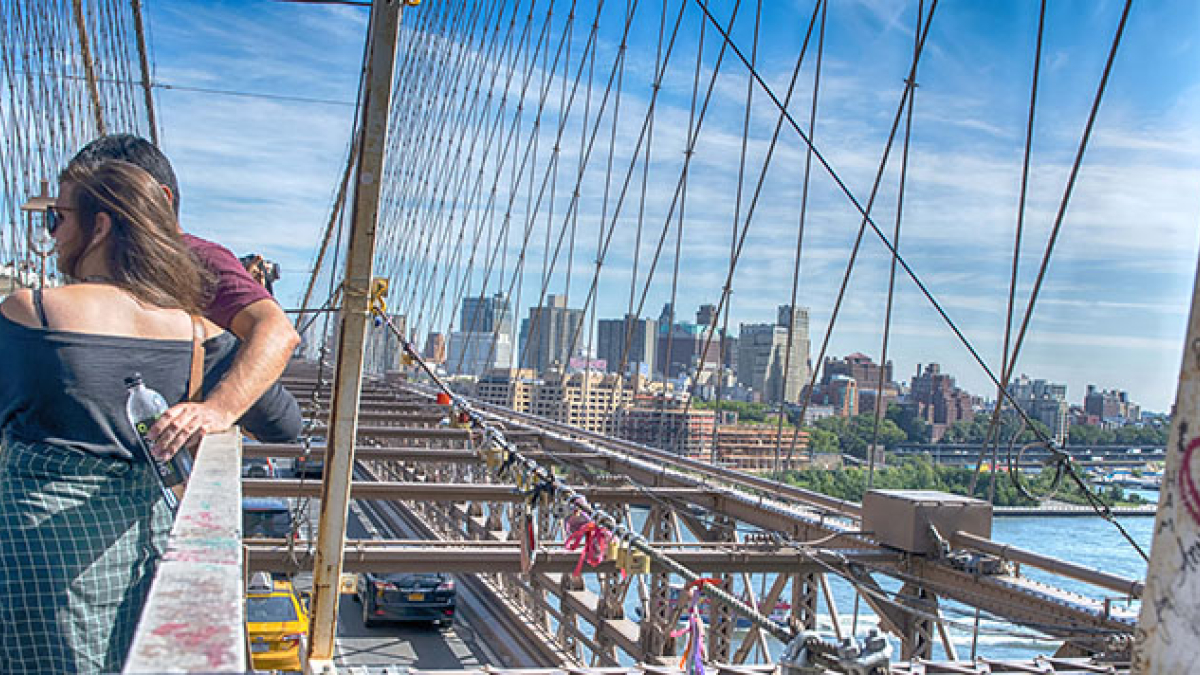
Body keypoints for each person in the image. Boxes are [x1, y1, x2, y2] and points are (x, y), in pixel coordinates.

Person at [0, 160, 300, 674]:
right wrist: (215, 410)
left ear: (100, 226)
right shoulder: (195, 334)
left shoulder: (31, 311)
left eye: (57, 218)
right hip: (147, 545)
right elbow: (285, 424)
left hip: (38, 557)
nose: (52, 235)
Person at [65, 134, 301, 455]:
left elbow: (277, 331)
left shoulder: (198, 258)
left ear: (158, 201)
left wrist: (218, 410)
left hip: (239, 405)